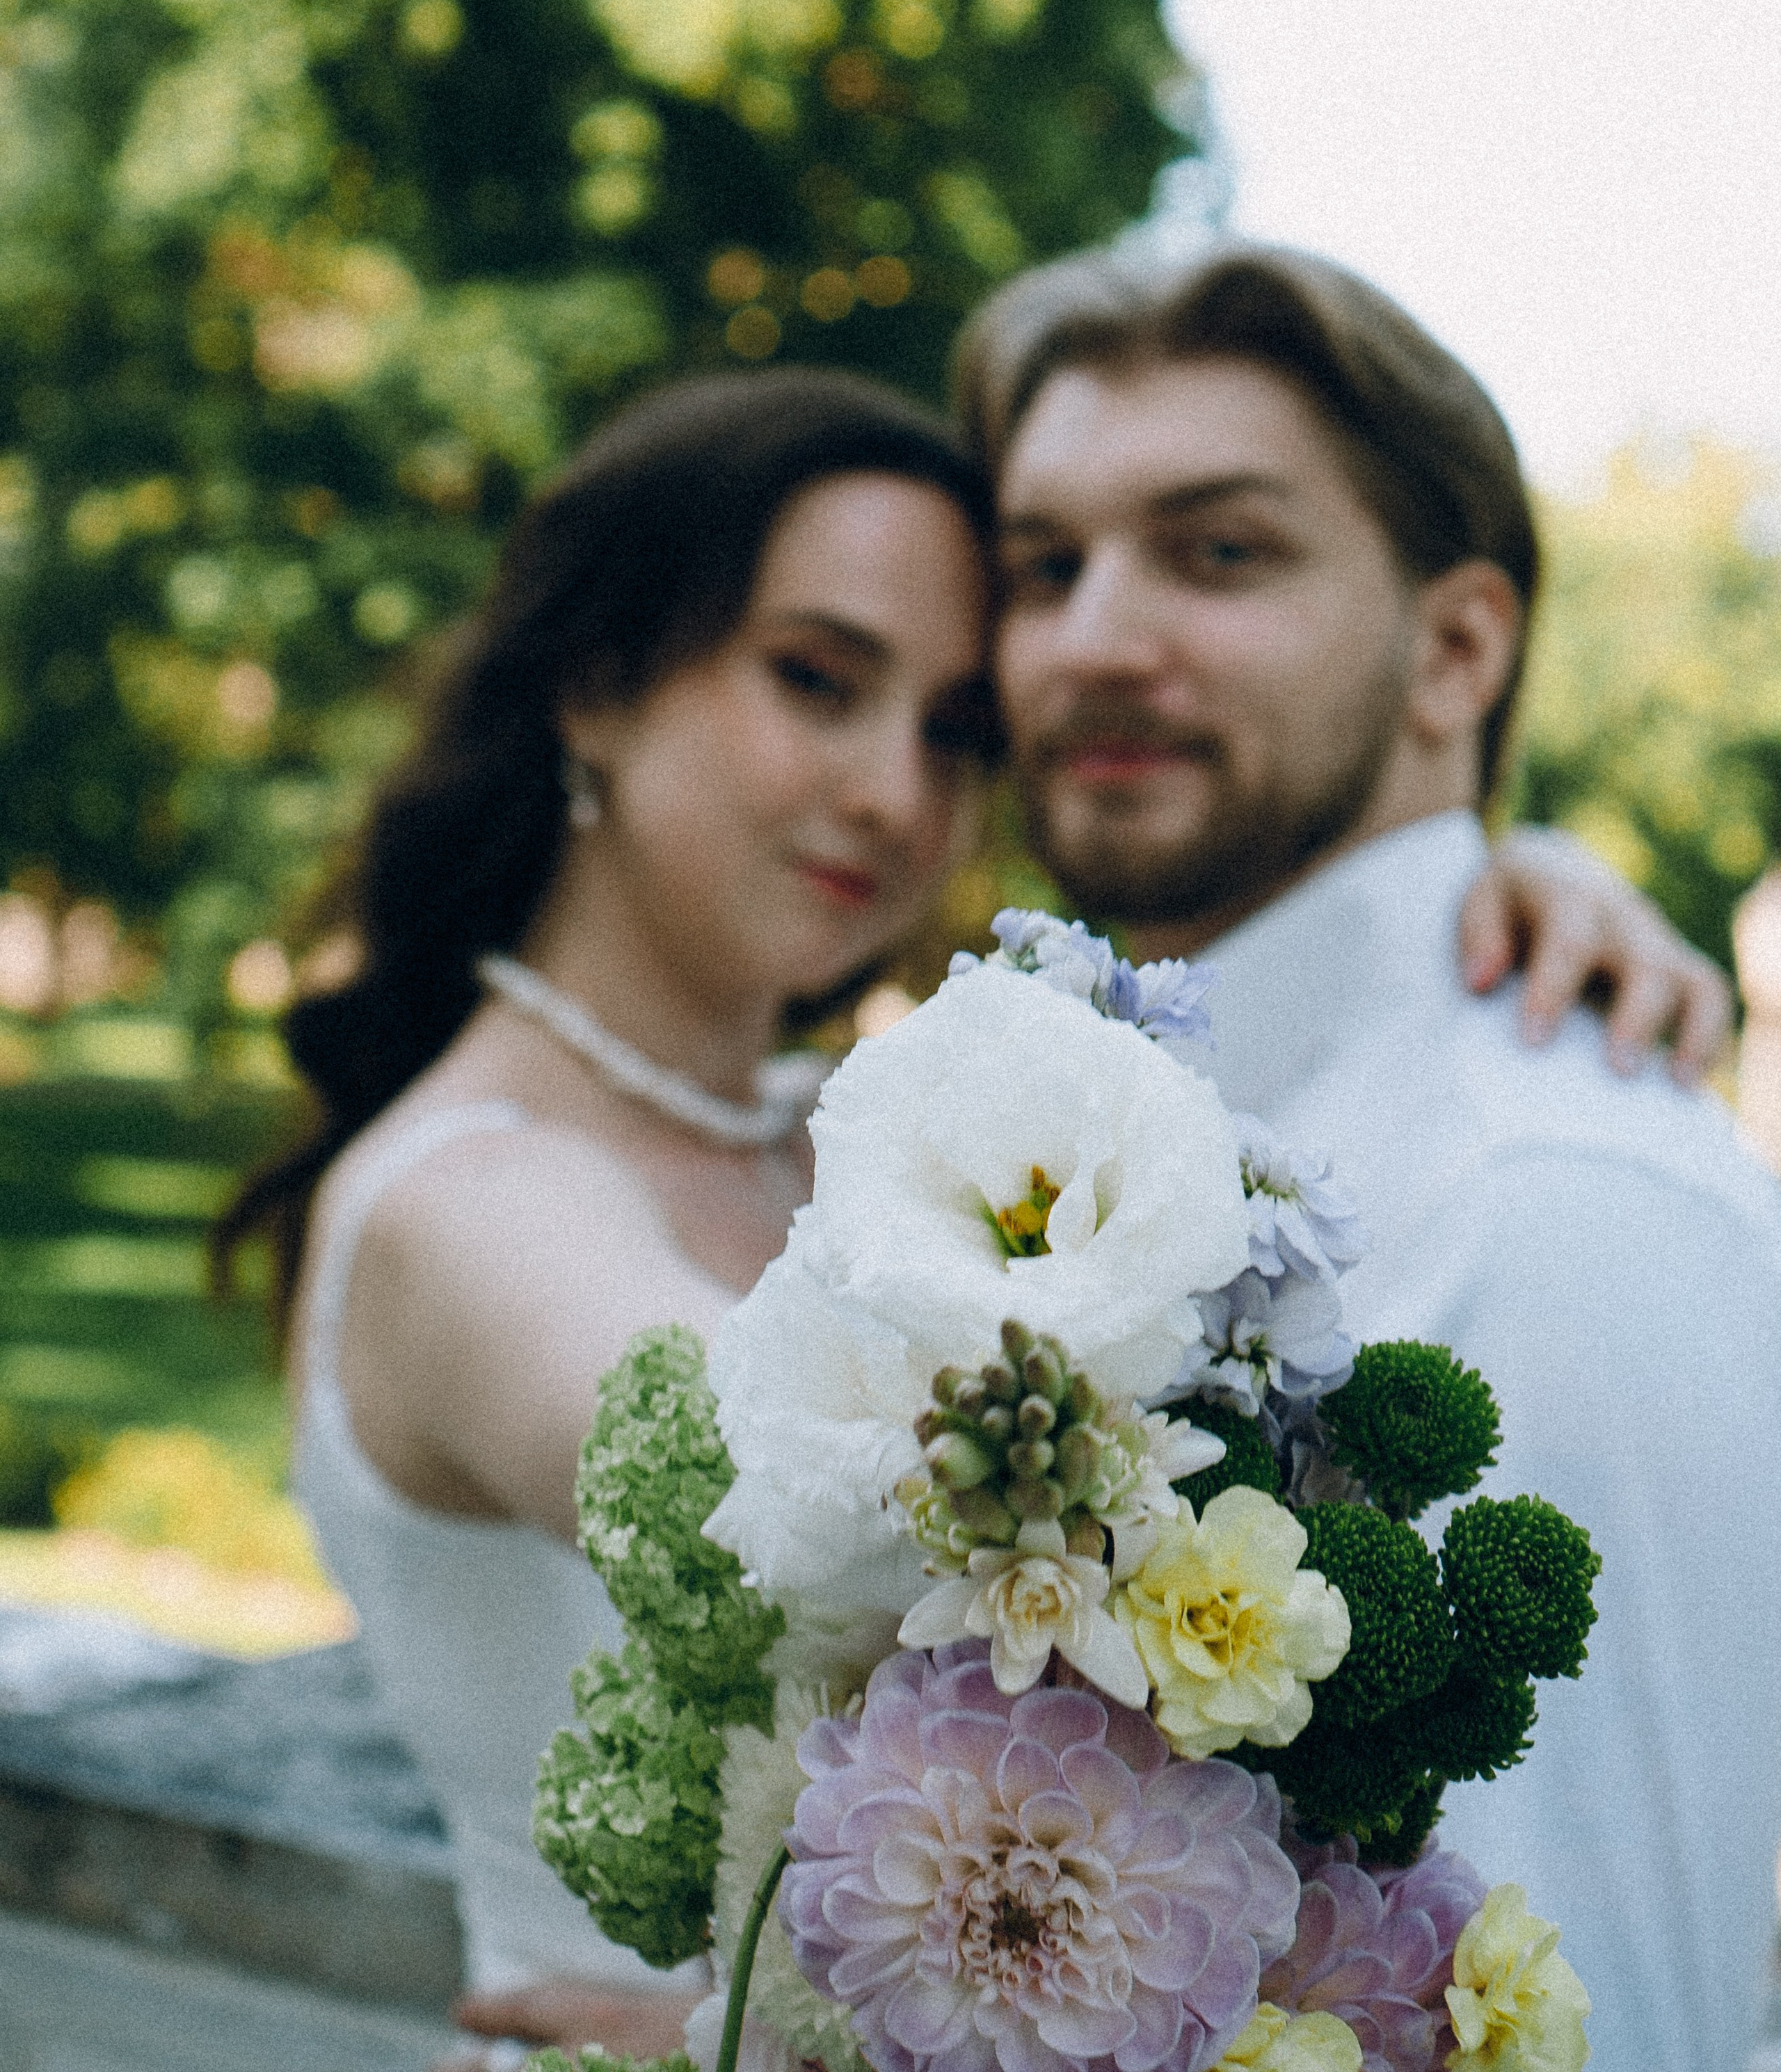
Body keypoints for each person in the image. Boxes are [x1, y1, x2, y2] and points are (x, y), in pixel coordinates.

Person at [216, 360, 1721, 2069]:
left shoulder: (858, 1136)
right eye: (816, 679)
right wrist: (762, 2029)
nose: (890, 794)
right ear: (598, 685)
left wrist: (1475, 882)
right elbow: (865, 1536)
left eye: (950, 730)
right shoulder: (474, 1206)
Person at [956, 238, 1781, 2072]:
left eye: (1219, 551)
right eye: (1043, 567)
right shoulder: (1104, 1146)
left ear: (1458, 646)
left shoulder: (1544, 1209)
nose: (1093, 636)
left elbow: (1564, 2016)